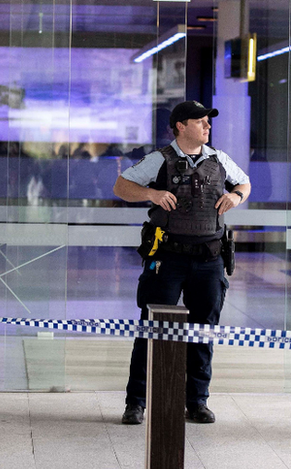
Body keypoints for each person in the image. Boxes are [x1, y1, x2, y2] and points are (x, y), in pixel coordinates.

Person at [113, 100, 251, 425]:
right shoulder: (160, 159)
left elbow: (244, 183)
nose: (207, 126)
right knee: (151, 330)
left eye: (207, 122)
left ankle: (197, 401)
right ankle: (136, 403)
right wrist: (151, 194)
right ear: (181, 126)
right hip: (168, 259)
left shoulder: (219, 159)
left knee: (203, 333)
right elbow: (121, 186)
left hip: (209, 258)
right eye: (200, 121)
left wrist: (236, 196)